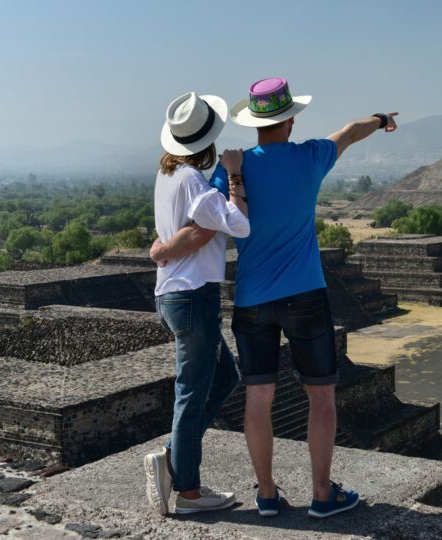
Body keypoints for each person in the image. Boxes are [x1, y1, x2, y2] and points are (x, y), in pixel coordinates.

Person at [151, 76, 397, 519]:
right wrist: (381, 121)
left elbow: (201, 222)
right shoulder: (311, 156)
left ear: (253, 120)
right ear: (290, 118)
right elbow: (349, 131)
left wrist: (163, 249)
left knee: (257, 399)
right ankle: (323, 495)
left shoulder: (231, 169)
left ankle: (266, 494)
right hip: (305, 294)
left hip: (252, 300)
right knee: (320, 398)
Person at [143, 92, 251, 516]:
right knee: (190, 392)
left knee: (225, 377)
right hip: (193, 296)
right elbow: (238, 226)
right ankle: (187, 490)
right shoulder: (193, 182)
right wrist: (236, 176)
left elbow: (190, 235)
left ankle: (174, 455)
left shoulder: (166, 177)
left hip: (174, 294)